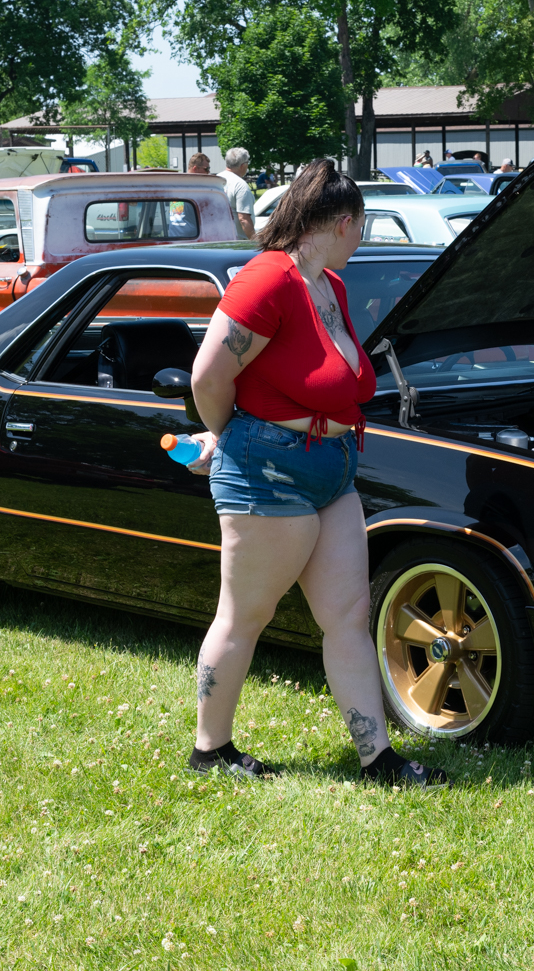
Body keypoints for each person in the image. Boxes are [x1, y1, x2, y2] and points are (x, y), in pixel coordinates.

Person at [184, 159, 447, 788]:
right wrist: (226, 435)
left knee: (348, 616)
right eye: (363, 227)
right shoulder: (266, 280)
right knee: (245, 616)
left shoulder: (329, 284)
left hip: (331, 467)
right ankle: (210, 751)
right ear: (343, 221)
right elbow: (207, 377)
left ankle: (378, 759)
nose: (362, 240)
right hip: (267, 466)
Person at [217, 146, 256, 236]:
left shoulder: (216, 180)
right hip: (237, 241)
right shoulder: (241, 186)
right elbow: (244, 219)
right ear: (243, 165)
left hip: (218, 238)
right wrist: (255, 241)